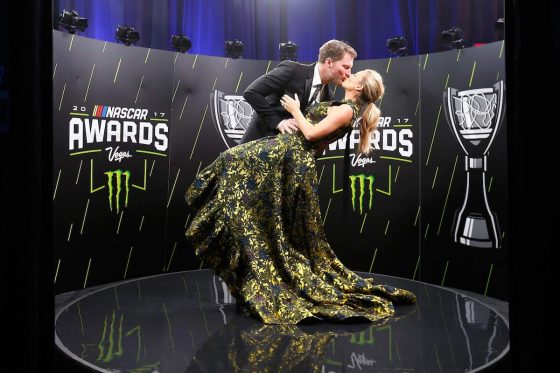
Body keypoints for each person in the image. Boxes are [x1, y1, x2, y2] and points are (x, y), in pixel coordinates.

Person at [185, 69, 416, 325]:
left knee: (231, 160)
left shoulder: (347, 110)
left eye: (353, 74)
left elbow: (311, 134)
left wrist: (295, 110)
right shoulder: (343, 107)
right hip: (288, 153)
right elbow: (320, 142)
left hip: (290, 155)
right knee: (234, 165)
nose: (348, 75)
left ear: (359, 88)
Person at [240, 39, 356, 143]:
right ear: (329, 62)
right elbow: (251, 92)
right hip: (257, 147)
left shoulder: (328, 96)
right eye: (345, 67)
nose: (349, 74)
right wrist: (278, 122)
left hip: (287, 158)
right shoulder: (292, 70)